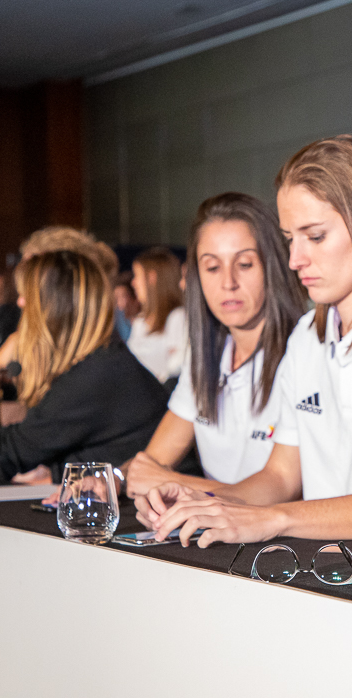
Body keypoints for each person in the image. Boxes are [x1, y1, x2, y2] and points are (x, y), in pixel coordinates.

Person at [137, 134, 352, 547]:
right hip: (326, 570)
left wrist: (276, 519)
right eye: (290, 239)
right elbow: (280, 476)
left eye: (314, 237)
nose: (295, 260)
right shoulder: (306, 337)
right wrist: (204, 500)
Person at [0, 250, 168, 484]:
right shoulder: (101, 362)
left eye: (26, 295)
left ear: (54, 308)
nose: (20, 303)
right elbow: (24, 448)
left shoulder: (96, 374)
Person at [120, 192, 306, 496]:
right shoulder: (207, 356)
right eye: (212, 267)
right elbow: (151, 462)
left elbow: (281, 490)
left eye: (244, 264)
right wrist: (109, 479)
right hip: (215, 534)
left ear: (272, 268)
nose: (228, 282)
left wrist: (176, 483)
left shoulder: (304, 351)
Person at [127, 247, 186, 385]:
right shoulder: (140, 322)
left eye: (137, 276)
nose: (133, 283)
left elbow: (175, 369)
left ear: (152, 277)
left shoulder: (177, 317)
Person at [112, 270, 139, 343]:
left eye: (123, 296)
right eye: (116, 298)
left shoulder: (145, 322)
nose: (119, 303)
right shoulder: (117, 319)